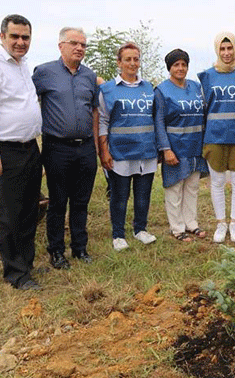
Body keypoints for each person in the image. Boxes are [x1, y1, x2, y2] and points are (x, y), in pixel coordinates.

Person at [0, 14, 42, 290]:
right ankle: (15, 273)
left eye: (25, 37)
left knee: (29, 208)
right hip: (3, 151)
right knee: (8, 213)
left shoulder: (22, 65)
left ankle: (26, 264)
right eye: (14, 36)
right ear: (2, 36)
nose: (20, 42)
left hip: (29, 147)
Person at [32, 27, 98, 269]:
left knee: (81, 201)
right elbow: (28, 103)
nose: (79, 48)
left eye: (83, 44)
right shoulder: (44, 73)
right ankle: (56, 252)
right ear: (61, 46)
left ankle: (80, 248)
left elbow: (93, 111)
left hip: (86, 148)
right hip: (57, 147)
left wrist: (97, 149)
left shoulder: (89, 76)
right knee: (58, 202)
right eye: (74, 43)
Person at [97, 42, 157, 251]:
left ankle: (140, 229)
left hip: (146, 152)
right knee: (120, 197)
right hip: (120, 152)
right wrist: (103, 150)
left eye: (136, 59)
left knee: (143, 196)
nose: (133, 63)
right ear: (119, 62)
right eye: (128, 59)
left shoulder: (149, 88)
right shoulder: (108, 89)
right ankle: (118, 234)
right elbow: (103, 120)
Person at [197, 32, 235, 243]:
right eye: (222, 49)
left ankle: (234, 223)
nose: (227, 53)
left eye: (230, 48)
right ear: (217, 50)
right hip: (214, 136)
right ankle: (221, 223)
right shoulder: (206, 76)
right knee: (218, 182)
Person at [155, 49, 209, 242]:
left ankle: (191, 223)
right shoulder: (162, 90)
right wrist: (166, 149)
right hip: (175, 147)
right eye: (176, 65)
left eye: (183, 64)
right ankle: (177, 228)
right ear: (169, 67)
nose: (180, 68)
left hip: (195, 145)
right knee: (175, 188)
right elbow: (159, 121)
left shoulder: (195, 87)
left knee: (192, 186)